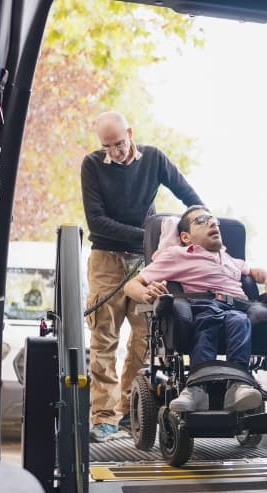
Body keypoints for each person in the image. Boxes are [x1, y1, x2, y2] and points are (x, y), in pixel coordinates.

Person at [81, 111, 203, 442]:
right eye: (107, 146)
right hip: (105, 259)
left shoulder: (154, 159)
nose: (115, 152)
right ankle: (103, 417)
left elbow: (188, 195)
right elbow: (97, 222)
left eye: (119, 144)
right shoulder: (92, 165)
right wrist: (150, 235)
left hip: (145, 263)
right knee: (104, 337)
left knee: (144, 338)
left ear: (130, 133)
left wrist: (203, 225)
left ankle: (128, 409)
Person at [124, 205, 267, 413]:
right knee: (208, 320)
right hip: (202, 306)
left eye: (214, 220)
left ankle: (238, 386)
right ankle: (197, 388)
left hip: (237, 308)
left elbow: (254, 272)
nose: (212, 223)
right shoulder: (178, 255)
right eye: (201, 220)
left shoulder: (228, 258)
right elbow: (131, 285)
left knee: (239, 322)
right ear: (186, 237)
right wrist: (145, 293)